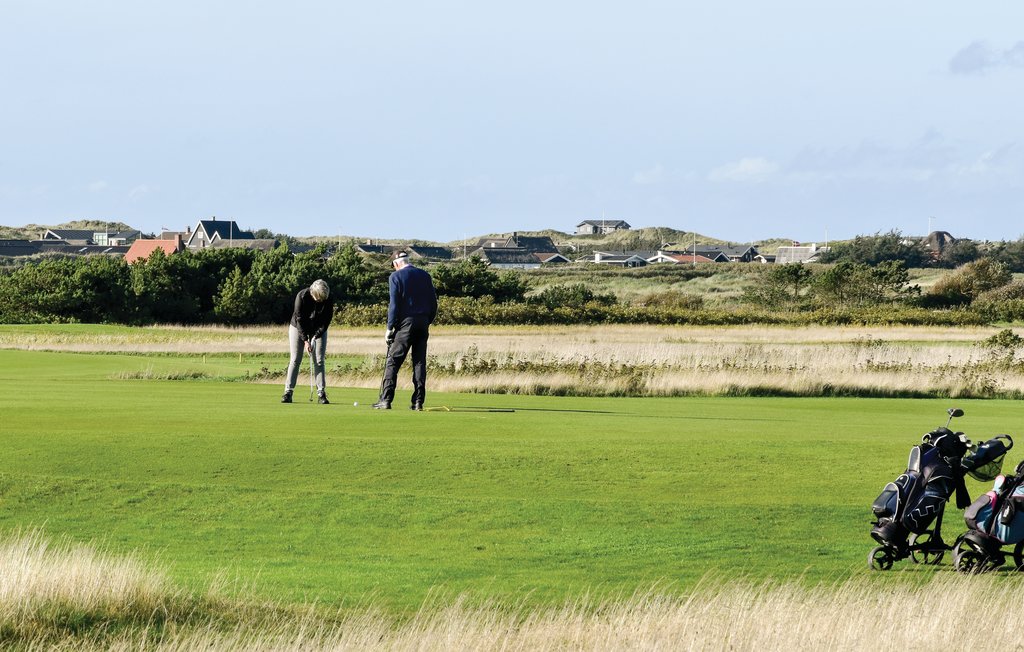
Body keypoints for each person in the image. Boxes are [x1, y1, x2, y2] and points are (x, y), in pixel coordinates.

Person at [373, 252, 438, 410]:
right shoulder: (425, 275)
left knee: (393, 361)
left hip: (405, 324)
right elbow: (434, 303)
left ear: (396, 264)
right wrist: (427, 320)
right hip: (423, 323)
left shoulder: (395, 277)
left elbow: (394, 305)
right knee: (419, 362)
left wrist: (389, 328)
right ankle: (418, 401)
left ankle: (386, 399)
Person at [282, 279, 334, 404]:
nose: (321, 301)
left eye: (323, 299)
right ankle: (288, 392)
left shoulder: (328, 299)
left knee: (319, 360)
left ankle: (321, 393)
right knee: (295, 359)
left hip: (318, 328)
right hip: (298, 327)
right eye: (319, 299)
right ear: (313, 293)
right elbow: (299, 319)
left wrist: (315, 337)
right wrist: (305, 340)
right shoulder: (302, 296)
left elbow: (326, 322)